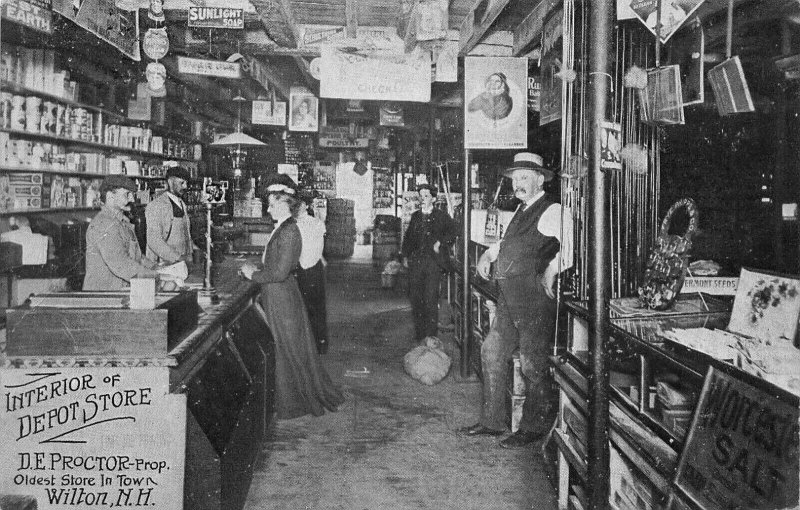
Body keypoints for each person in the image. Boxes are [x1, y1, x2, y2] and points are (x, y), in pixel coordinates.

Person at [459, 152, 573, 448]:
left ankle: (533, 426)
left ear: (539, 179)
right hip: (510, 297)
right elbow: (507, 243)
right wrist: (488, 254)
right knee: (492, 350)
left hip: (534, 298)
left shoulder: (553, 210)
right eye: (515, 179)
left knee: (533, 363)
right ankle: (492, 422)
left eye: (524, 178)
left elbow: (571, 248)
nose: (518, 184)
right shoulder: (522, 209)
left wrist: (552, 268)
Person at [239, 176, 344, 419]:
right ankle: (289, 398)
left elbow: (279, 272)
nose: (268, 209)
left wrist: (252, 273)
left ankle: (295, 401)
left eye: (273, 204)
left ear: (286, 205)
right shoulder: (284, 227)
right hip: (278, 294)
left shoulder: (288, 231)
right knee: (286, 348)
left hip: (282, 296)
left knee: (289, 348)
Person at [400, 184, 457, 343]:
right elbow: (409, 237)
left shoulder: (441, 216)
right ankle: (420, 335)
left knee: (431, 298)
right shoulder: (416, 216)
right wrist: (405, 255)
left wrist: (440, 242)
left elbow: (454, 231)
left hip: (433, 263)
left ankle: (431, 337)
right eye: (420, 196)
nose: (422, 199)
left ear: (433, 198)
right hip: (416, 262)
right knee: (416, 297)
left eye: (425, 196)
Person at [84, 175, 158, 291]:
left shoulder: (124, 222)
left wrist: (155, 267)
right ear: (110, 196)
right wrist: (156, 277)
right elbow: (122, 265)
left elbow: (136, 257)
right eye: (127, 194)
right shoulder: (104, 224)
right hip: (104, 298)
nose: (132, 200)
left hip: (121, 292)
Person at [294, 196, 329, 354]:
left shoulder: (297, 224)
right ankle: (320, 343)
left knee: (305, 307)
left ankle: (308, 345)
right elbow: (318, 245)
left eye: (300, 204)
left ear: (306, 205)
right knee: (317, 307)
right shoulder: (316, 222)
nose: (297, 207)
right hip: (314, 268)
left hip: (304, 268)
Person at [145, 166, 194, 266]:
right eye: (182, 183)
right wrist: (178, 257)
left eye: (186, 183)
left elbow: (186, 236)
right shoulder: (156, 206)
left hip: (181, 264)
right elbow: (154, 241)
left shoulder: (182, 204)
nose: (185, 187)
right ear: (170, 183)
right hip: (162, 264)